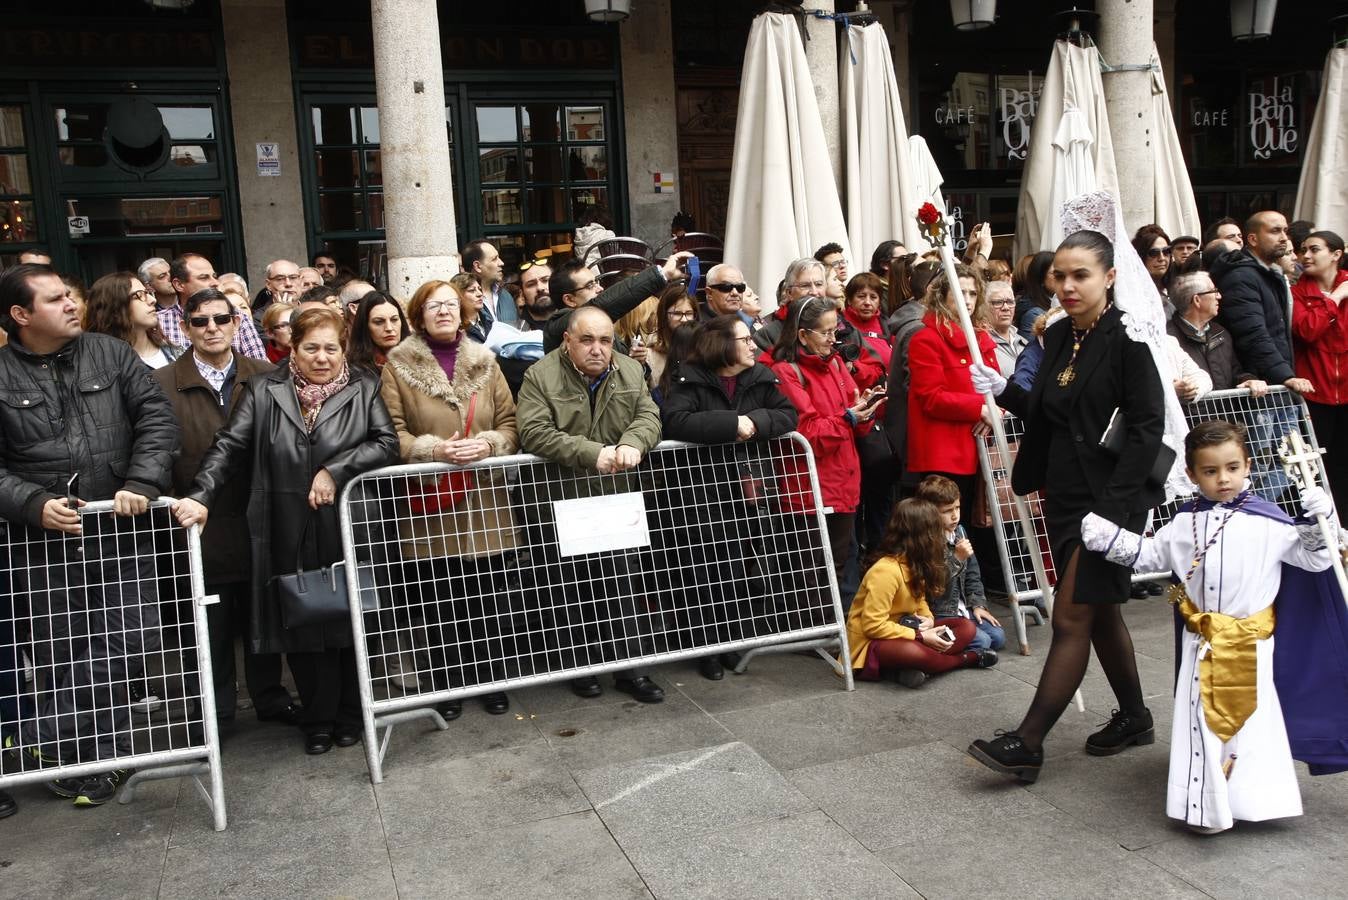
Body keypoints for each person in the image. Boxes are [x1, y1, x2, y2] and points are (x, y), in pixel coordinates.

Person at [966, 224, 1176, 783]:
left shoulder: (1130, 339)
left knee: (1072, 614)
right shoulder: (1058, 334)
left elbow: (1147, 430)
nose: (1067, 286)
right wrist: (1004, 389)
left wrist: (1112, 513)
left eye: (1081, 275)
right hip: (1063, 494)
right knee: (1099, 611)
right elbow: (1049, 410)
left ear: (1110, 277)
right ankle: (1135, 717)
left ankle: (1028, 742)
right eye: (1059, 276)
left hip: (1111, 500)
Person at [1079, 420, 1336, 834]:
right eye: (1211, 471)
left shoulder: (1270, 521)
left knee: (1249, 721)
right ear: (1192, 474)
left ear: (1248, 466)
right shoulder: (1185, 521)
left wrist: (1320, 521)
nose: (1224, 479)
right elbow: (1152, 555)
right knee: (1202, 718)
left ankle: (1249, 800)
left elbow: (1314, 559)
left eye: (1232, 468)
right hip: (1202, 640)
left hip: (1250, 642)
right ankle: (1207, 807)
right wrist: (1108, 539)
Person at [174, 307, 399, 755]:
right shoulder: (264, 389)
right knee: (301, 620)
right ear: (292, 348)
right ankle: (317, 719)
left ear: (344, 350)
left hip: (346, 524)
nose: (322, 357)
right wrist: (201, 495)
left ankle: (352, 715)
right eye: (311, 348)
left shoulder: (364, 386)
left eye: (331, 348)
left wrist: (335, 470)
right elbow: (229, 445)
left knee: (351, 619)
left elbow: (386, 443)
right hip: (286, 524)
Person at [0, 263, 179, 807]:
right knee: (64, 652)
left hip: (120, 533)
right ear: (20, 314)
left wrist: (142, 481)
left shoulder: (110, 353)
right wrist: (32, 504)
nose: (70, 304)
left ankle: (41, 734)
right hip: (43, 547)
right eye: (54, 299)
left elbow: (157, 419)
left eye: (69, 295)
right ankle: (94, 762)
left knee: (131, 639)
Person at [151, 288, 295, 728]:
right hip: (198, 518)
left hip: (257, 514)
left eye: (220, 319)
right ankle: (215, 712)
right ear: (185, 327)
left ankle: (270, 697)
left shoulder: (267, 374)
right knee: (207, 623)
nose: (211, 328)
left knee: (261, 613)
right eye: (200, 321)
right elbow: (153, 445)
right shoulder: (161, 383)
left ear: (236, 323)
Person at [380, 279, 519, 719]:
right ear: (418, 316)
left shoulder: (486, 361)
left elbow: (511, 423)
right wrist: (433, 451)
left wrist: (489, 444)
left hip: (484, 500)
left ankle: (491, 679)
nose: (443, 312)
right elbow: (390, 433)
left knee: (488, 598)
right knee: (440, 601)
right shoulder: (397, 365)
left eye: (450, 305)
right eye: (433, 306)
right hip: (430, 502)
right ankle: (448, 684)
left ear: (463, 312)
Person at [516, 305, 665, 703]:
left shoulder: (630, 370)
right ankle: (581, 669)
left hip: (614, 498)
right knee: (567, 589)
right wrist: (592, 453)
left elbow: (649, 416)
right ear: (567, 340)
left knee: (621, 585)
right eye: (587, 340)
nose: (597, 349)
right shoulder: (540, 375)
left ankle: (632, 671)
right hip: (559, 499)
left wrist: (634, 442)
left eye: (604, 340)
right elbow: (533, 431)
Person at [661, 315, 798, 679]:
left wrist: (755, 422)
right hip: (700, 493)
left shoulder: (759, 377)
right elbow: (675, 421)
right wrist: (731, 424)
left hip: (745, 492)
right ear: (722, 344)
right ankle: (705, 647)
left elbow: (788, 415)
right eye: (744, 339)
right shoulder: (690, 379)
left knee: (736, 568)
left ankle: (730, 641)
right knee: (702, 571)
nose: (753, 344)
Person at [770, 295, 883, 600]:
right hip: (809, 487)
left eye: (836, 331)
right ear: (802, 334)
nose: (834, 339)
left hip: (843, 480)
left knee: (837, 565)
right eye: (826, 332)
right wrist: (849, 417)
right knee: (809, 573)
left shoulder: (834, 363)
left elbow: (850, 419)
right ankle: (813, 625)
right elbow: (807, 433)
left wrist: (864, 408)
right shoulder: (786, 371)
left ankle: (830, 623)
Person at [844, 499, 992, 688]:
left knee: (966, 627)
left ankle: (911, 668)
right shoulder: (885, 571)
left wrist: (928, 620)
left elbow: (920, 601)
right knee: (914, 652)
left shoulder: (916, 562)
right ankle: (965, 659)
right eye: (933, 532)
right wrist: (920, 637)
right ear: (920, 537)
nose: (938, 538)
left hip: (909, 630)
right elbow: (873, 626)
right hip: (872, 643)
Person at [905, 263, 999, 521]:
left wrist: (993, 411)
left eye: (972, 293)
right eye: (960, 292)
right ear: (943, 296)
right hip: (945, 452)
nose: (967, 300)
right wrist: (980, 410)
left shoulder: (981, 338)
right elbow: (931, 397)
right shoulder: (926, 339)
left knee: (982, 527)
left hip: (981, 448)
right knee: (946, 528)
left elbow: (997, 388)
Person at [1211, 212, 1313, 396]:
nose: (1284, 238)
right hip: (1256, 389)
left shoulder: (1269, 273)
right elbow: (1253, 334)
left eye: (1285, 230)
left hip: (1275, 384)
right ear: (1253, 239)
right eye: (1275, 231)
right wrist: (1285, 375)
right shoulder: (1241, 277)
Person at [914, 475, 1004, 655]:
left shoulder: (960, 532)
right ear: (930, 513)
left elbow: (973, 573)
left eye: (957, 508)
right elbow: (935, 587)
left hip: (963, 609)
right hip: (940, 613)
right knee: (983, 641)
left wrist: (977, 604)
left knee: (997, 637)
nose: (955, 515)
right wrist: (956, 558)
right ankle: (939, 645)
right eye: (947, 511)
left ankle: (958, 639)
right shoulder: (924, 541)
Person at [1291, 230, 1348, 515]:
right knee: (1314, 466)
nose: (1306, 256)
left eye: (1314, 249)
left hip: (1346, 392)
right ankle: (1319, 527)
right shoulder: (1298, 292)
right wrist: (1335, 299)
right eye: (1303, 250)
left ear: (1336, 254)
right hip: (1314, 393)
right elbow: (1307, 330)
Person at [541, 251, 690, 353]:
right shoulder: (557, 326)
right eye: (590, 285)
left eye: (596, 282)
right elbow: (599, 306)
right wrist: (662, 274)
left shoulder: (606, 327)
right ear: (569, 299)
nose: (600, 289)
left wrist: (636, 363)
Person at [1167, 271, 1264, 393]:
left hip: (1225, 406)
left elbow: (1235, 373)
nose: (1219, 296)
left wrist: (1248, 380)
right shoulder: (1167, 339)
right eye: (1214, 291)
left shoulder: (1220, 332)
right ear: (1197, 300)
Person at [160, 253, 268, 360]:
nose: (215, 282)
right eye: (204, 278)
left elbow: (258, 364)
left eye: (214, 276)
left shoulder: (237, 316)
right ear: (179, 285)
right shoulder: (160, 322)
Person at [83, 271, 180, 369]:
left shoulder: (175, 352)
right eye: (139, 295)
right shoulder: (103, 366)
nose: (152, 300)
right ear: (115, 308)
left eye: (147, 293)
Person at [646, 283, 697, 390]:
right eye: (677, 313)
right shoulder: (649, 355)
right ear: (664, 315)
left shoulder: (704, 348)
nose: (684, 320)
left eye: (688, 313)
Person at [346, 290, 409, 374]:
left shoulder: (420, 359)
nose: (389, 328)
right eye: (379, 322)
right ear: (365, 326)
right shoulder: (354, 372)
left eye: (394, 319)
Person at [462, 239, 514, 325]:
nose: (501, 263)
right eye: (494, 259)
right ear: (477, 266)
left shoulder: (506, 296)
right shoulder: (463, 300)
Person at [986, 279, 1027, 377]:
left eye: (1010, 302)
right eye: (998, 302)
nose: (1006, 307)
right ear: (984, 307)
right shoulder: (981, 345)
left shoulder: (1024, 342)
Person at [1012, 250, 1056, 340]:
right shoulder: (1034, 314)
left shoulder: (1058, 302)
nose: (1062, 278)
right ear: (1041, 278)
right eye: (1055, 273)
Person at [1132, 224, 1173, 313]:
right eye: (1154, 253)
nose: (1162, 258)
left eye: (1166, 251)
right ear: (1140, 256)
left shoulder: (1176, 288)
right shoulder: (1134, 295)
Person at [516, 258, 553, 331]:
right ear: (522, 294)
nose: (540, 288)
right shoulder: (517, 332)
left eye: (545, 280)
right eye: (531, 284)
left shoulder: (573, 317)